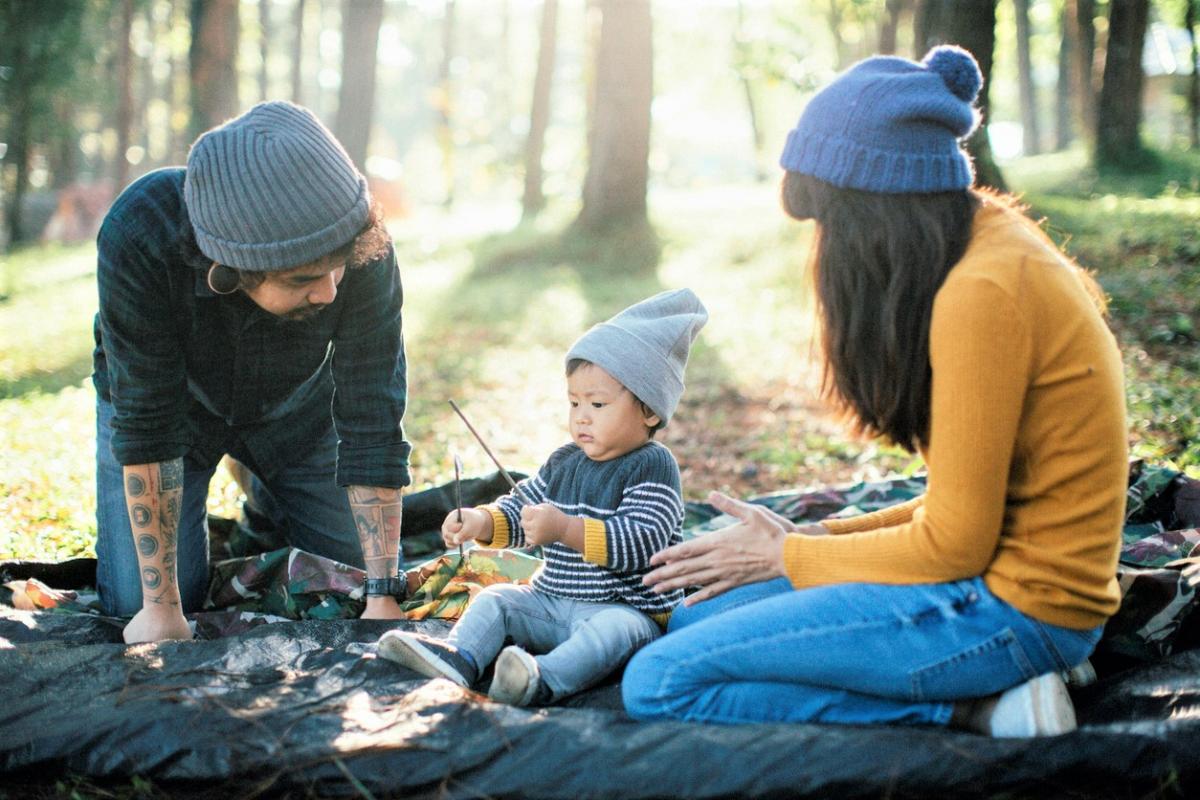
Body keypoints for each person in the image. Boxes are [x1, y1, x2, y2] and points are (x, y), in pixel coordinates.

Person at [622, 46, 1128, 737]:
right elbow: (963, 506)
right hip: (997, 582)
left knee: (659, 680)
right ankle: (990, 682)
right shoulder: (984, 243)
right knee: (693, 614)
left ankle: (979, 706)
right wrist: (812, 535)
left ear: (872, 216)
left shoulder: (982, 294)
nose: (824, 249)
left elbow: (954, 546)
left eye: (830, 223)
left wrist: (786, 556)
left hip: (1020, 611)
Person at [93, 101, 413, 644]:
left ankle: (266, 481)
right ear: (229, 271)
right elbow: (147, 419)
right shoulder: (139, 233)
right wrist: (162, 605)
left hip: (300, 408)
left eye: (338, 264)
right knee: (133, 605)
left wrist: (381, 594)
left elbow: (372, 414)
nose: (331, 290)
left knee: (353, 585)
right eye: (303, 278)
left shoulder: (359, 242)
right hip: (175, 414)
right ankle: (245, 469)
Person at [376, 289, 707, 706]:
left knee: (613, 635)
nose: (582, 416)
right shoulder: (566, 460)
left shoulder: (652, 466)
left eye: (598, 403)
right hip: (552, 599)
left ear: (650, 412)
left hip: (625, 608)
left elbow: (641, 543)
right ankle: (459, 658)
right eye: (574, 402)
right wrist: (481, 521)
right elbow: (522, 507)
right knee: (498, 599)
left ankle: (540, 679)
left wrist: (565, 529)